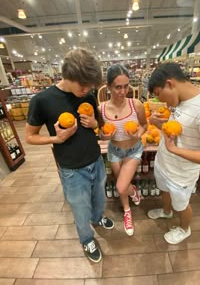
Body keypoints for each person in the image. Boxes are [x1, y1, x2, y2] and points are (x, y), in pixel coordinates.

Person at [25, 48, 114, 263]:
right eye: (83, 85)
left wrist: (95, 124)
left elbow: (99, 123)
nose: (86, 90)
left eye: (90, 86)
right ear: (67, 76)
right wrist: (57, 139)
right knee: (80, 208)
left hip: (96, 160)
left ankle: (97, 217)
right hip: (72, 170)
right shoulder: (42, 100)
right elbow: (30, 137)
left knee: (99, 197)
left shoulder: (89, 95)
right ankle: (86, 238)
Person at [147, 62, 200, 244]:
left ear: (170, 83)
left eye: (160, 95)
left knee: (182, 205)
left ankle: (185, 229)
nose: (161, 101)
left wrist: (175, 150)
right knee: (164, 191)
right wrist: (159, 124)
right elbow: (180, 129)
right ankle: (166, 212)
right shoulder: (180, 102)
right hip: (164, 163)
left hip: (182, 174)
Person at [98, 64, 147, 236]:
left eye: (126, 86)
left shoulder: (136, 105)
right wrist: (105, 136)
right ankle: (127, 208)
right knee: (123, 185)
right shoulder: (101, 109)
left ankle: (131, 194)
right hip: (114, 152)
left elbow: (144, 125)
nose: (123, 91)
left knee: (120, 187)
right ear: (109, 86)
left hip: (133, 150)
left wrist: (137, 135)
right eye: (118, 87)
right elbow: (101, 134)